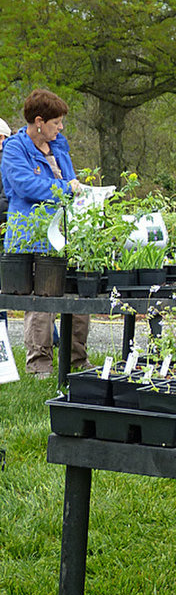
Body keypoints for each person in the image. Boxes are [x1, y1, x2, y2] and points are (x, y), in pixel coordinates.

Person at [1, 89, 90, 379]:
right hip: (31, 232)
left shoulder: (59, 148)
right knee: (41, 299)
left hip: (64, 231)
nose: (60, 127)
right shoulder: (15, 148)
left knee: (77, 295)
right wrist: (66, 189)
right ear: (39, 121)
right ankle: (39, 365)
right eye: (56, 122)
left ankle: (77, 359)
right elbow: (26, 186)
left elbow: (72, 181)